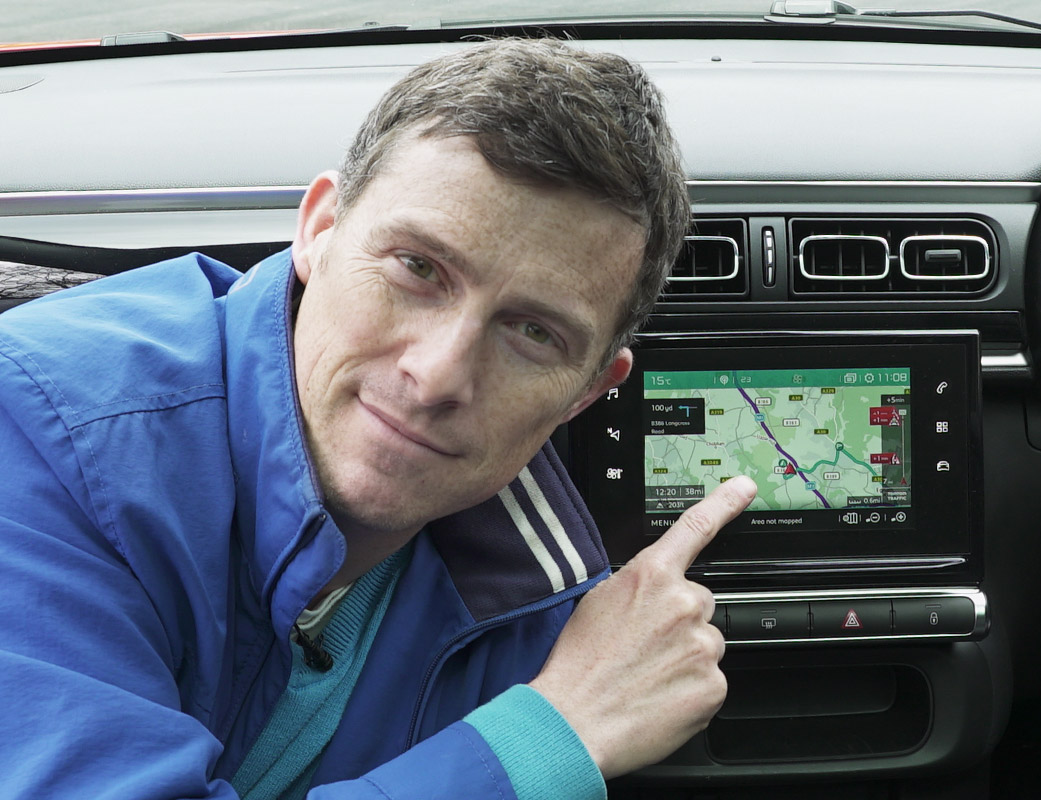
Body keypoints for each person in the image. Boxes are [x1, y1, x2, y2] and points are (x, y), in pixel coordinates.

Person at [0, 38, 752, 799]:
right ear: (319, 229)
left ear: (587, 393)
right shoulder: (41, 424)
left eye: (533, 332)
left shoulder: (571, 609)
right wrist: (555, 735)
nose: (437, 375)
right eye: (418, 268)